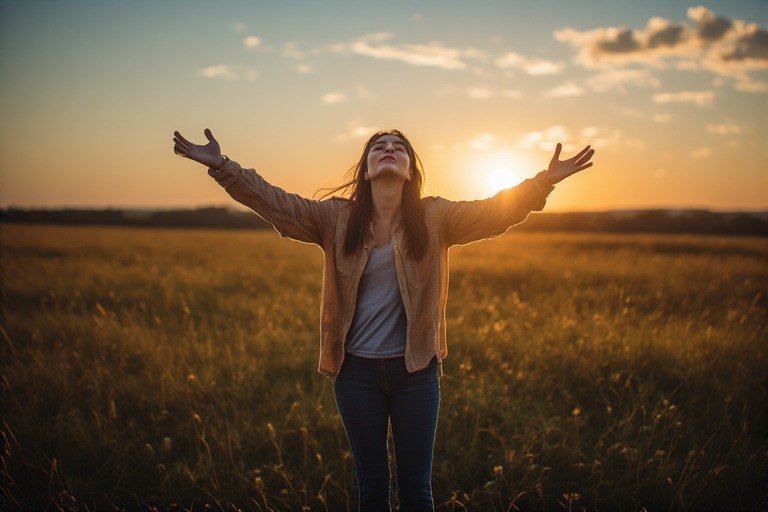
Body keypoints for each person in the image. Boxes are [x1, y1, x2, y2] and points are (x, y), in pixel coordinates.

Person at [172, 128, 594, 511]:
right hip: (355, 375)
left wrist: (544, 182)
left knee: (417, 490)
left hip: (416, 372)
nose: (389, 151)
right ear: (367, 168)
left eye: (399, 148)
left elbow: (495, 212)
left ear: (410, 170)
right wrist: (223, 168)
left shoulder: (436, 218)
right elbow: (274, 202)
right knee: (372, 488)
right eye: (379, 147)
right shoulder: (335, 219)